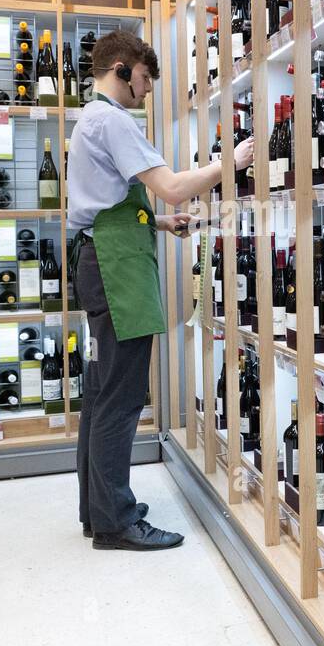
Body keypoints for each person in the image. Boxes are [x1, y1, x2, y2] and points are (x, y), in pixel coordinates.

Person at [68, 30, 255, 550]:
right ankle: (116, 522)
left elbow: (108, 204)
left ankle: (97, 509)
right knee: (123, 397)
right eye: (146, 79)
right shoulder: (112, 119)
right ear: (123, 69)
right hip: (116, 267)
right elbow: (170, 184)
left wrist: (158, 224)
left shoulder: (89, 118)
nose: (147, 91)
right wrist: (229, 164)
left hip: (101, 255)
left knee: (102, 392)